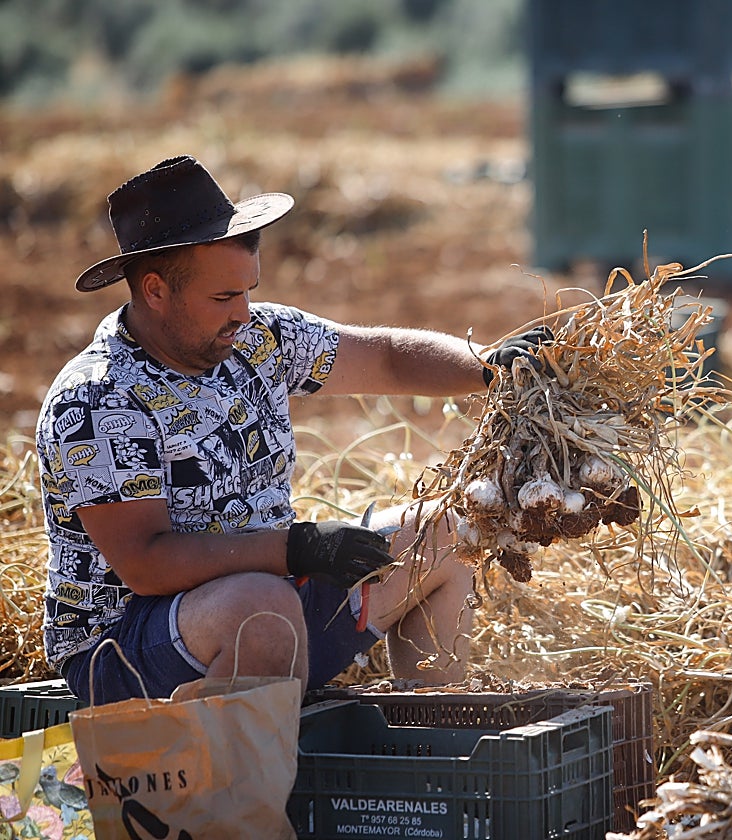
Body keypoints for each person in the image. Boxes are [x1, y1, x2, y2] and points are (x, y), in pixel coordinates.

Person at [36, 155, 546, 706]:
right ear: (155, 291)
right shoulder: (98, 398)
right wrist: (293, 549)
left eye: (248, 290)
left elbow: (388, 359)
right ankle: (241, 786)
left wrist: (488, 366)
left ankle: (427, 754)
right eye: (223, 298)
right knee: (260, 607)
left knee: (445, 534)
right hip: (129, 652)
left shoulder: (259, 338)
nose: (242, 312)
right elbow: (147, 563)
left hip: (272, 608)